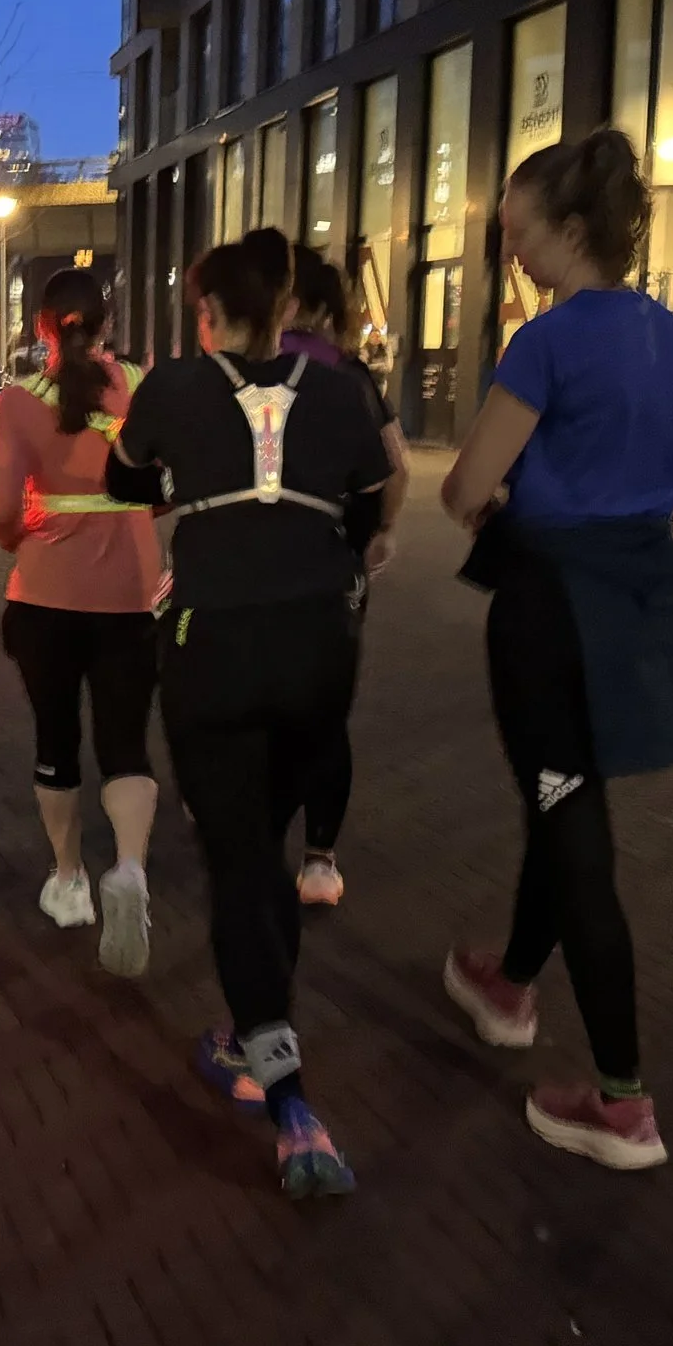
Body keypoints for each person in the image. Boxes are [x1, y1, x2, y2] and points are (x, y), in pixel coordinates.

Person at [439, 131, 673, 1172]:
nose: (513, 250)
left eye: (519, 231)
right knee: (566, 799)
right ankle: (506, 983)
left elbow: (463, 487)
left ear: (571, 230)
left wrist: (507, 493)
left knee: (573, 825)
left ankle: (623, 1101)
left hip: (550, 612)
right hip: (636, 601)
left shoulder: (546, 342)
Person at [105, 227, 391, 1199]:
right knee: (265, 844)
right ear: (287, 309)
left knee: (236, 863)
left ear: (207, 312)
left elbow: (122, 480)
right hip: (318, 649)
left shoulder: (174, 388)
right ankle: (250, 1033)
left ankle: (290, 1102)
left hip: (213, 648)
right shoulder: (341, 392)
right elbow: (369, 503)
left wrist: (191, 482)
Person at [0, 268, 161, 977]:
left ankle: (69, 881)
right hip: (132, 594)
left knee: (56, 738)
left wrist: (22, 538)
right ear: (107, 324)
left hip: (45, 596)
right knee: (126, 743)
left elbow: (1, 510)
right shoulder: (143, 387)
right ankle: (131, 869)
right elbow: (166, 483)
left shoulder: (15, 403)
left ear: (41, 327)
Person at [281, 246, 410, 909]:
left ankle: (239, 822)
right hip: (332, 567)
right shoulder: (350, 375)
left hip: (247, 564)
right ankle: (319, 858)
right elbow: (395, 466)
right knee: (325, 712)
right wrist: (380, 531)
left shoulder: (239, 369)